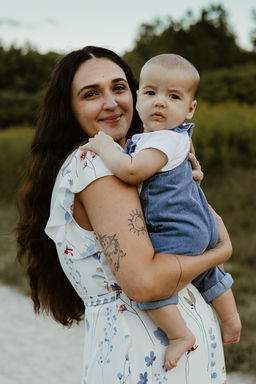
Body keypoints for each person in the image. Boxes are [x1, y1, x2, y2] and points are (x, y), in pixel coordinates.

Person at [16, 46, 233, 384]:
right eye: (91, 94)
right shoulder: (97, 166)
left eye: (118, 88)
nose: (111, 102)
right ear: (68, 108)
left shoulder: (129, 158)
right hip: (147, 360)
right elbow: (144, 284)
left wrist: (182, 190)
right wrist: (220, 253)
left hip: (166, 357)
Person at [82, 53, 241, 370]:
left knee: (153, 285)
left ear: (189, 108)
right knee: (208, 272)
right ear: (139, 97)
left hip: (176, 229)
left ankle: (179, 334)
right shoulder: (167, 138)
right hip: (196, 224)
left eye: (173, 96)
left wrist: (103, 147)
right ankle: (232, 319)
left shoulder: (164, 141)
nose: (160, 103)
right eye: (151, 93)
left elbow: (130, 172)